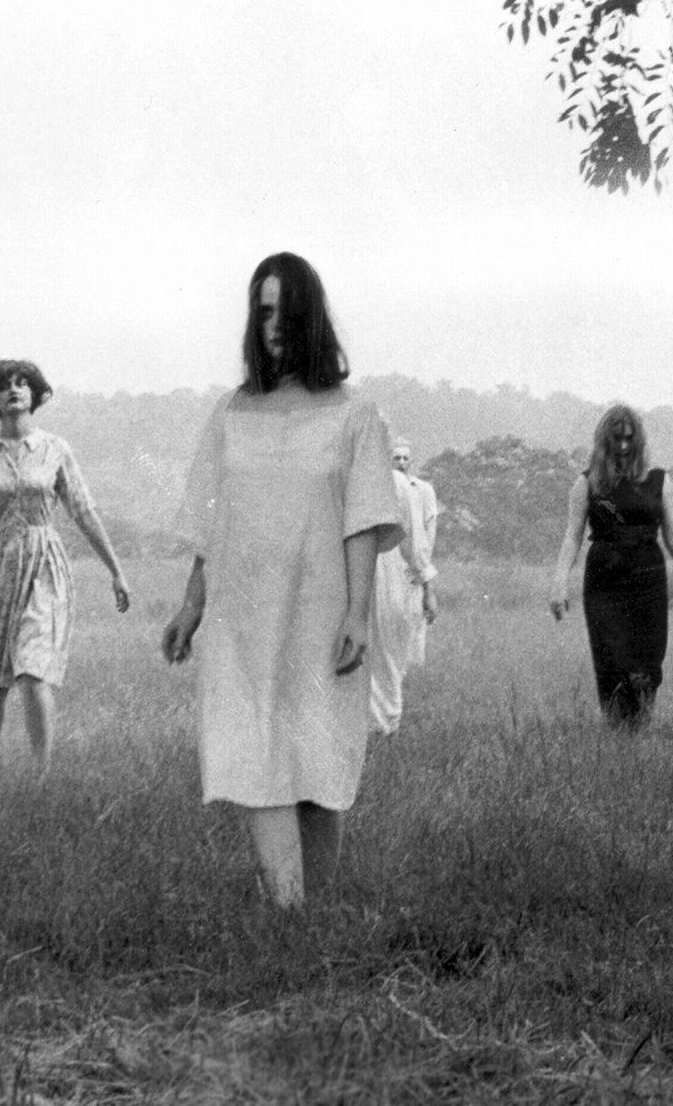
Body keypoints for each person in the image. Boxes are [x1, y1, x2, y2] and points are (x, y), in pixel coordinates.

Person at [161, 252, 404, 907]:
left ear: (311, 319)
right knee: (256, 753)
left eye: (286, 312)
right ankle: (289, 912)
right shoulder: (231, 413)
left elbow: (363, 520)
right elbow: (212, 520)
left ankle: (313, 915)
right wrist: (191, 606)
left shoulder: (355, 415)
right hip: (243, 615)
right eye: (263, 311)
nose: (273, 325)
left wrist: (358, 613)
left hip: (320, 612)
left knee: (318, 760)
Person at [0, 360, 132, 768]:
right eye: (5, 385)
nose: (14, 390)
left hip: (45, 563)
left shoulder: (55, 449)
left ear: (34, 394)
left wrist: (116, 571)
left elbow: (83, 510)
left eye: (22, 384)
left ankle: (42, 775)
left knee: (32, 670)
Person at [550, 404, 673, 728]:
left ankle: (640, 725)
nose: (623, 445)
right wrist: (559, 583)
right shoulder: (587, 483)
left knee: (647, 656)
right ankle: (616, 728)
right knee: (611, 656)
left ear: (638, 440)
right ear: (605, 441)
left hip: (648, 577)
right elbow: (572, 536)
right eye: (616, 439)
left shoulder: (659, 481)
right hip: (605, 579)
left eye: (629, 438)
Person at [367, 442, 438, 738]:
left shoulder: (398, 485)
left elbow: (415, 539)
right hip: (347, 573)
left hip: (391, 573)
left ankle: (385, 726)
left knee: (387, 651)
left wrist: (427, 588)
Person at [390, 438, 440, 664]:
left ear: (411, 461)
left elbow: (426, 533)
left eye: (405, 458)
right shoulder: (383, 490)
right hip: (388, 566)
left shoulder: (423, 490)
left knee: (412, 629)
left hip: (413, 567)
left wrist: (426, 577)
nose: (401, 462)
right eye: (396, 458)